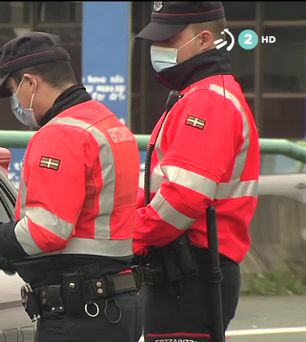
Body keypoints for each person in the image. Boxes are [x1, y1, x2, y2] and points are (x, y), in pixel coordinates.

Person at [0, 31, 142, 341]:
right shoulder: (107, 124)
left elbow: (47, 231)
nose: (16, 103)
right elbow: (89, 228)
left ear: (30, 83)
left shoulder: (60, 135)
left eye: (14, 91)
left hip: (79, 315)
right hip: (115, 306)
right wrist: (10, 254)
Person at [133, 2, 260, 341]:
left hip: (191, 269)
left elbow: (181, 200)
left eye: (170, 39)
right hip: (185, 266)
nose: (158, 49)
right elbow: (160, 187)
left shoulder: (208, 101)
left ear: (204, 40)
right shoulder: (198, 95)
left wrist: (123, 236)